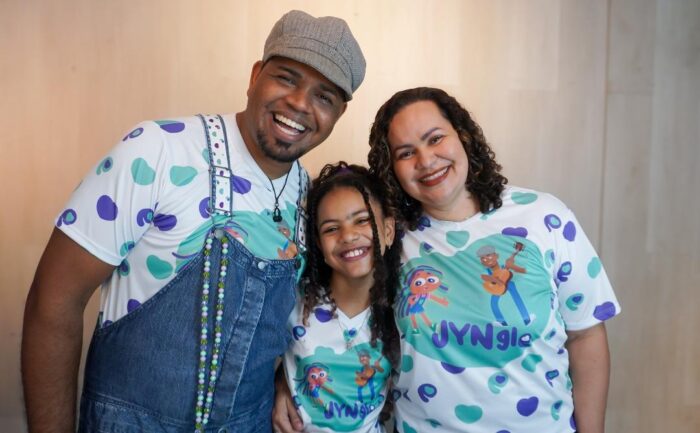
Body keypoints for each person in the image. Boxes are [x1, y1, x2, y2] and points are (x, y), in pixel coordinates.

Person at [22, 10, 365, 433]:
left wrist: (283, 382)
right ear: (255, 76)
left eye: (324, 97)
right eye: (286, 78)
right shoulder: (157, 151)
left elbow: (292, 330)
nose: (299, 103)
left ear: (337, 116)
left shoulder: (312, 200)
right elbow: (53, 302)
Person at [367, 87, 621, 433]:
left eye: (435, 139)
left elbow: (586, 335)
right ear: (391, 168)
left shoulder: (544, 217)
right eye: (406, 153)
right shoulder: (388, 239)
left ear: (463, 136)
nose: (426, 161)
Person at [273, 163, 401, 433]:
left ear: (388, 231)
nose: (348, 236)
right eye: (331, 228)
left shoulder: (402, 313)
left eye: (362, 220)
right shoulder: (293, 301)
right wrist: (279, 382)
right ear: (319, 243)